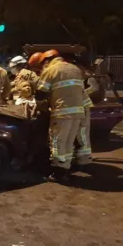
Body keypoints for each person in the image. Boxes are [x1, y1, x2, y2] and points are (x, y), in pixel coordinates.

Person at [36, 49, 85, 182]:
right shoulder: (75, 69)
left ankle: (57, 173)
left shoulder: (51, 70)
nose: (42, 68)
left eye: (42, 65)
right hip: (78, 112)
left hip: (62, 113)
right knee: (68, 143)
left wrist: (42, 107)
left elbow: (40, 93)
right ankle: (64, 171)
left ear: (47, 61)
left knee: (58, 142)